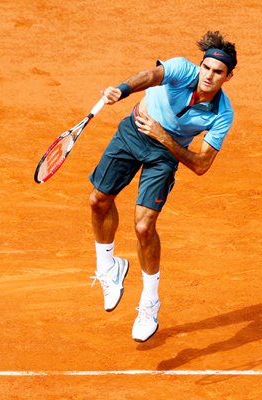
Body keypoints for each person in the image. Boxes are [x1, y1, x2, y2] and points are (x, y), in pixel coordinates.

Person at [88, 31, 237, 342]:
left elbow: (200, 165)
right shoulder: (183, 69)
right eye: (207, 68)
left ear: (229, 76)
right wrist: (123, 90)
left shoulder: (223, 114)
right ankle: (109, 268)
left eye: (218, 72)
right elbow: (150, 75)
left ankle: (149, 302)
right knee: (98, 200)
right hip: (133, 131)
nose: (209, 76)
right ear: (201, 66)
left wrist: (163, 136)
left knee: (144, 227)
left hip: (165, 154)